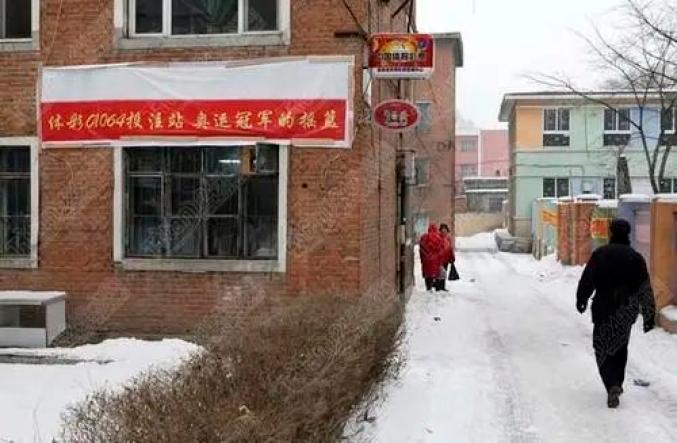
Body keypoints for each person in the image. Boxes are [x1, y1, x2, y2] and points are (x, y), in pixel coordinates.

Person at [576, 218, 656, 409]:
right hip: (626, 310)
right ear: (628, 234)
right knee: (620, 347)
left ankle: (611, 383)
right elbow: (644, 288)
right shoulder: (635, 258)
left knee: (601, 347)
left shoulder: (600, 254)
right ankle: (617, 383)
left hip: (603, 308)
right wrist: (649, 314)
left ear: (611, 233)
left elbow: (588, 278)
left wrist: (581, 298)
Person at [419, 224, 444, 291]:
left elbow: (421, 249)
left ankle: (428, 287)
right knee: (435, 274)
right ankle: (436, 287)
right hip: (435, 260)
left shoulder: (424, 237)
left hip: (426, 260)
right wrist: (440, 260)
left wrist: (422, 259)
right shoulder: (439, 238)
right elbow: (441, 250)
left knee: (427, 274)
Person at [435, 224, 455, 291]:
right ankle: (438, 287)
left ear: (447, 231)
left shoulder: (448, 239)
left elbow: (450, 249)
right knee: (439, 273)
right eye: (442, 231)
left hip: (446, 259)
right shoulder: (438, 238)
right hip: (439, 259)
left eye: (445, 231)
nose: (444, 232)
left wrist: (452, 257)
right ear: (440, 231)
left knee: (444, 273)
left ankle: (442, 287)